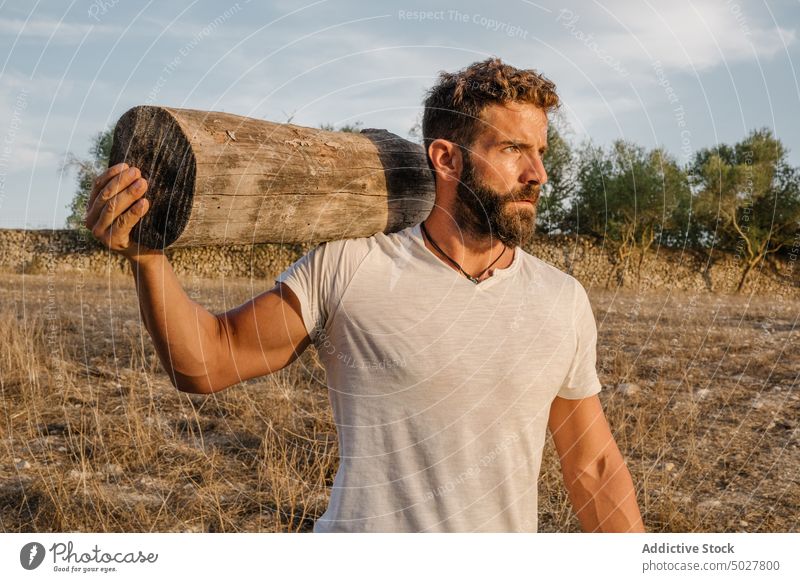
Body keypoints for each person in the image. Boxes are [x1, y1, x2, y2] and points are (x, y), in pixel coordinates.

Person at [86, 57, 644, 533]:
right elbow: (206, 361)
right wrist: (148, 254)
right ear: (446, 158)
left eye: (540, 151)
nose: (538, 173)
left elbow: (592, 465)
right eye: (513, 149)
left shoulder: (561, 299)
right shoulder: (353, 264)